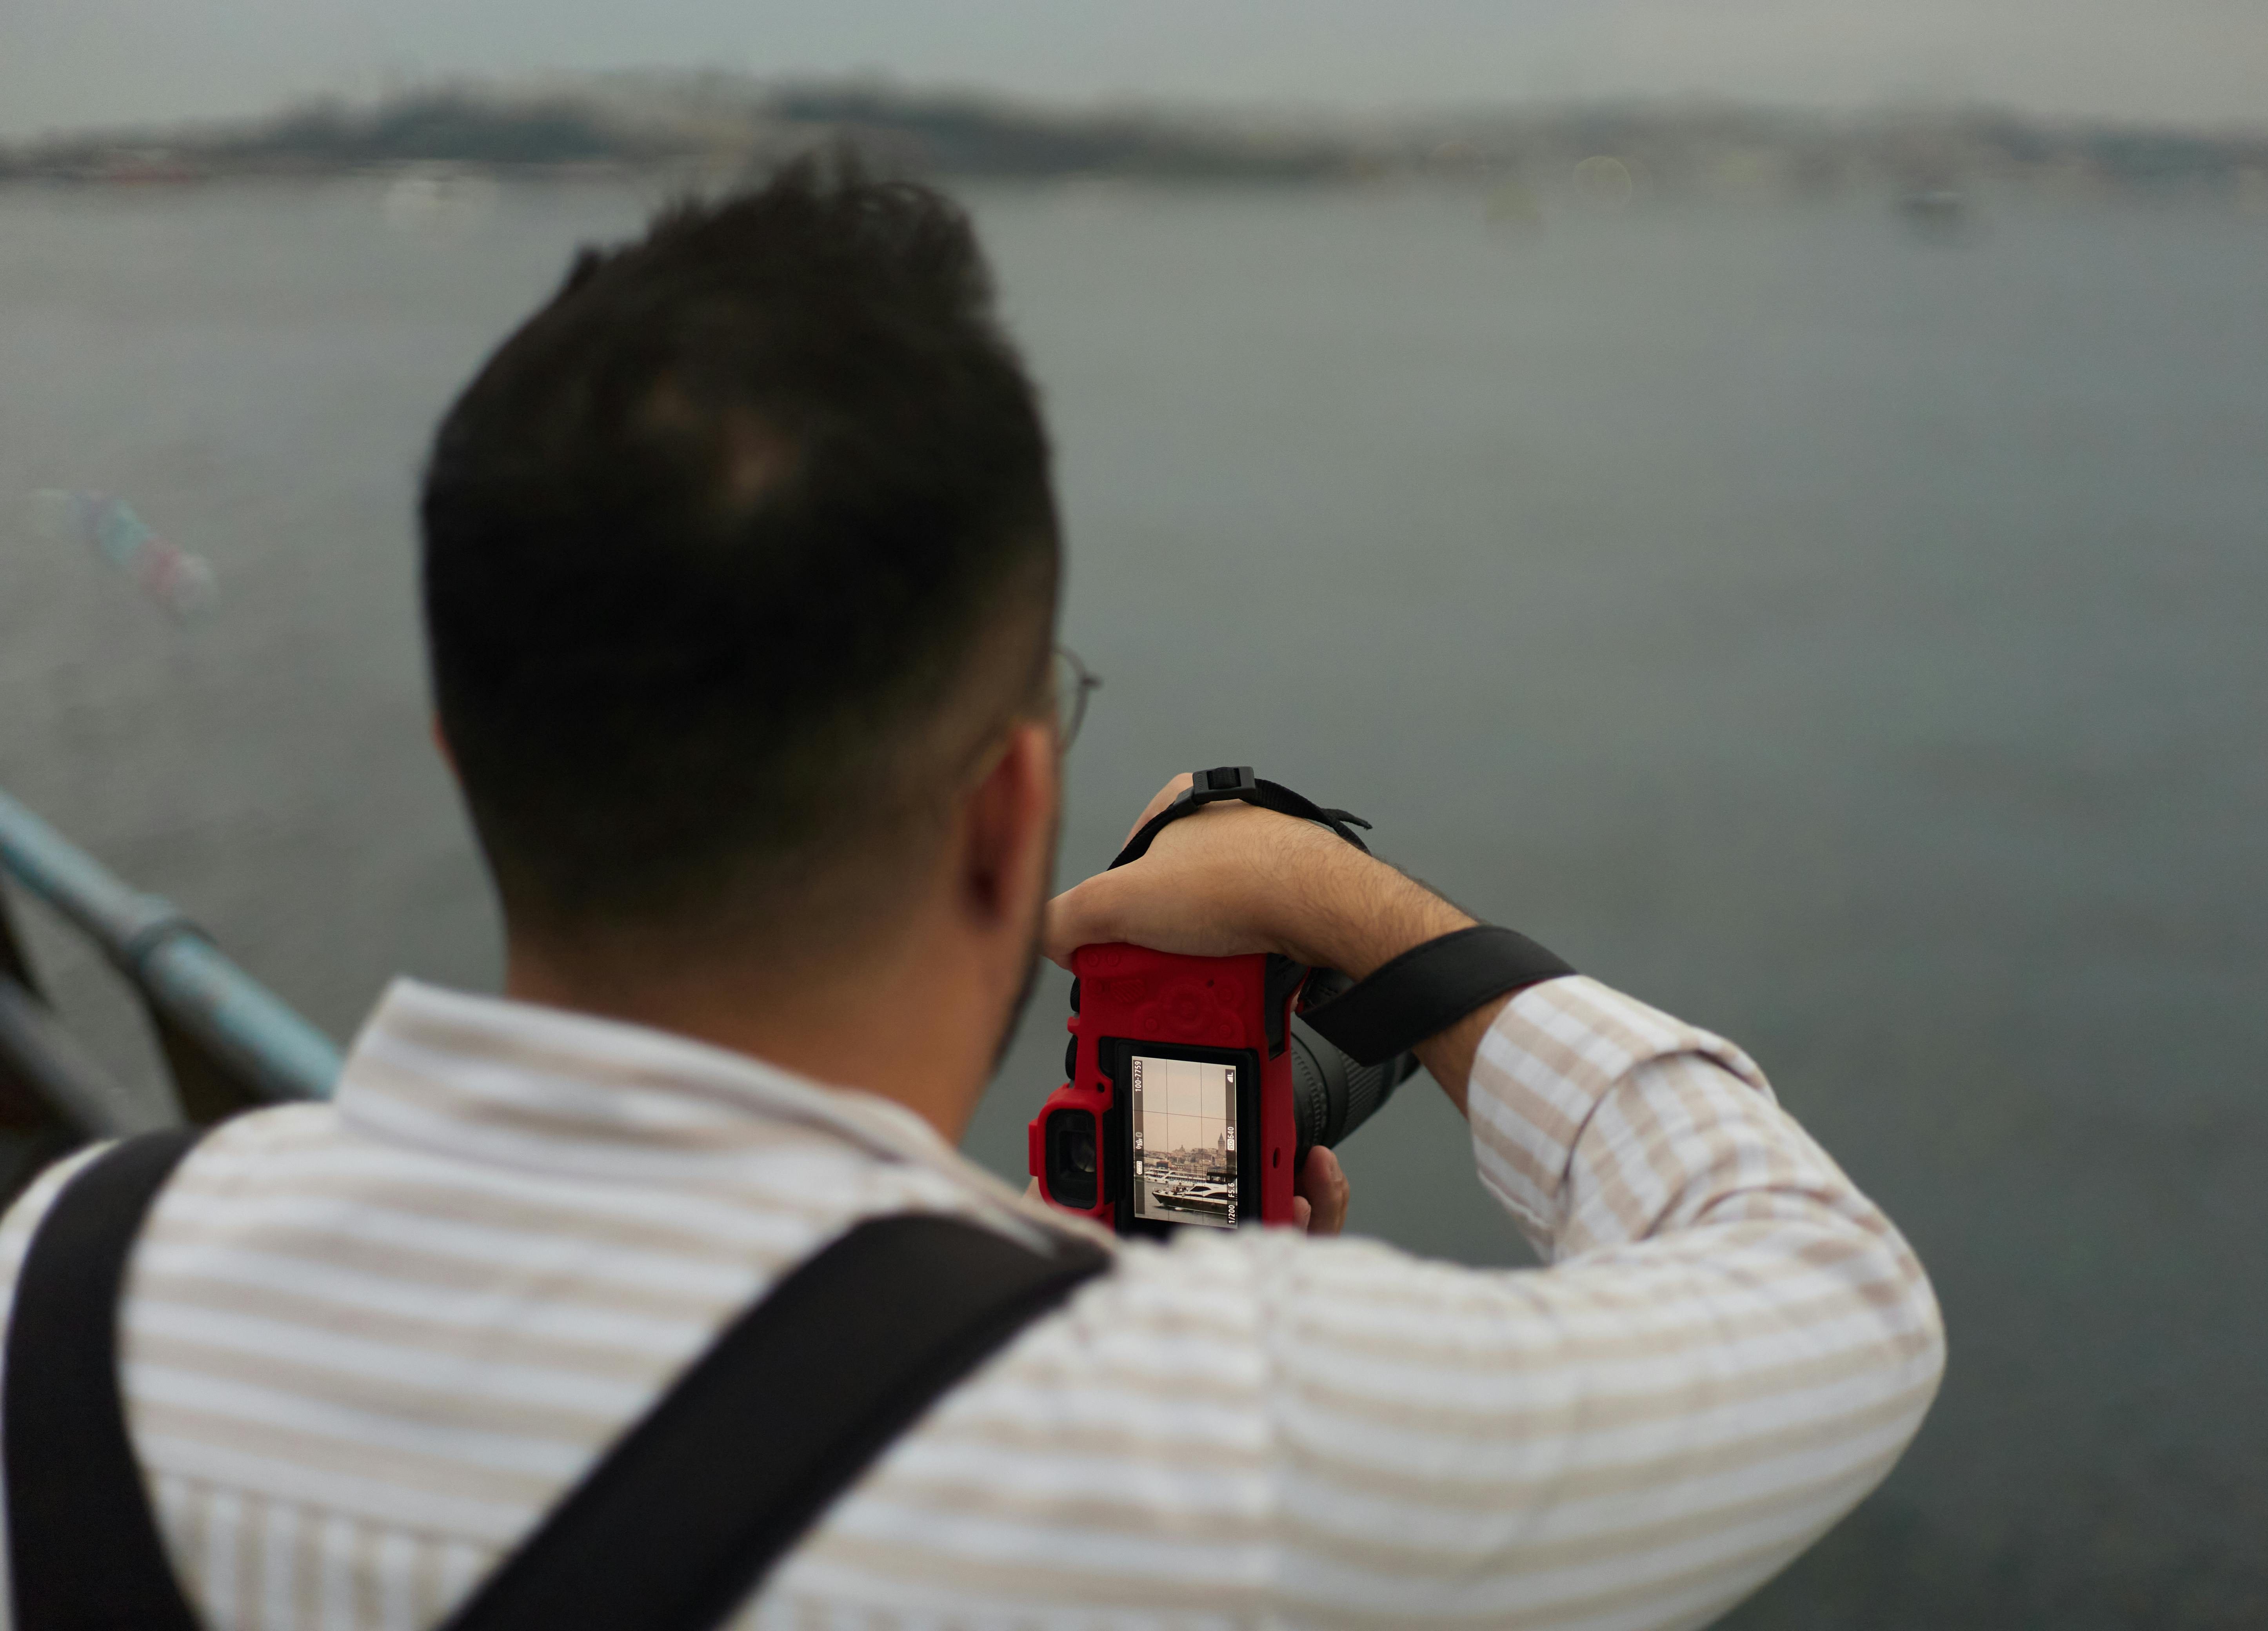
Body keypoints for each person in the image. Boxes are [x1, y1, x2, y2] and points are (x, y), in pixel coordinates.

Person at [0, 163, 1942, 1629]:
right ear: (1017, 806)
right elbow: (1834, 1296)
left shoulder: (61, 1273)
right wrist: (1360, 914)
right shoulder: (1205, 1453)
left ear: (465, 749)